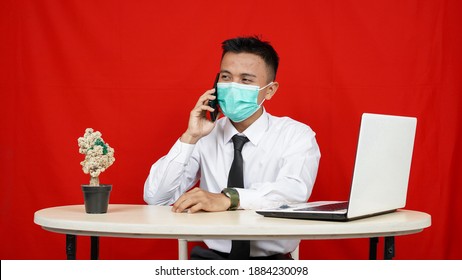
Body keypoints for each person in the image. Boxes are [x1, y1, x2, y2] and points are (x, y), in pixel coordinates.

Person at [144, 36, 321, 260]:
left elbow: (294, 193)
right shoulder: (206, 135)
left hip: (272, 265)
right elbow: (156, 197)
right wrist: (190, 136)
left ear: (270, 90)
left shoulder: (296, 135)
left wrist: (230, 198)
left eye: (246, 80)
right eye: (226, 77)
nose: (233, 86)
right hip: (212, 261)